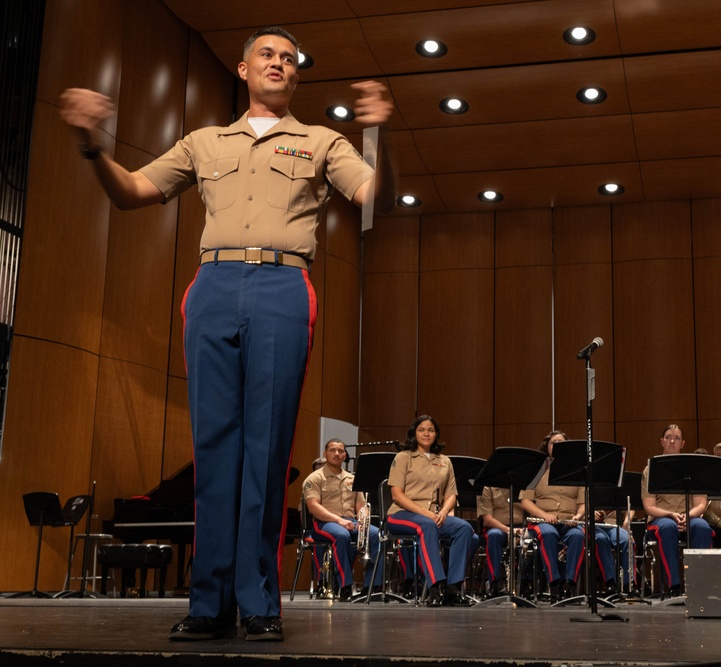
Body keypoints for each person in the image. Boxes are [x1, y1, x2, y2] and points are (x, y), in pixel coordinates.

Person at [60, 26, 395, 641]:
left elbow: (373, 198)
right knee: (214, 451)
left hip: (282, 287)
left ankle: (259, 602)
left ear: (297, 77)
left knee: (267, 453)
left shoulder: (321, 140)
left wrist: (377, 135)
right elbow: (134, 190)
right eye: (267, 54)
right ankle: (208, 605)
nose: (279, 63)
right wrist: (89, 145)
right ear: (243, 70)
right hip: (213, 287)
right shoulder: (204, 140)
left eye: (290, 59)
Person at [386, 415, 475, 606]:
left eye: (431, 430)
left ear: (436, 434)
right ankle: (434, 587)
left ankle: (452, 588)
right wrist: (427, 514)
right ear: (414, 433)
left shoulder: (445, 461)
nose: (427, 433)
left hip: (434, 516)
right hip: (400, 514)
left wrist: (443, 512)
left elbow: (451, 495)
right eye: (422, 430)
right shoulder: (403, 457)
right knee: (427, 525)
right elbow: (397, 495)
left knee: (464, 528)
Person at [301, 438, 382, 601]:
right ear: (325, 454)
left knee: (376, 534)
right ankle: (345, 586)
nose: (337, 454)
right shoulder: (315, 478)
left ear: (345, 455)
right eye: (332, 450)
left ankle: (372, 587)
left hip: (350, 522)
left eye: (340, 451)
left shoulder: (352, 478)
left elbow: (360, 505)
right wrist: (339, 521)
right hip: (324, 524)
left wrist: (363, 518)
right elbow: (313, 507)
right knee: (341, 535)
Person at [641, 424, 712, 597]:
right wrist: (671, 515)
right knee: (667, 527)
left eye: (677, 438)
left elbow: (701, 504)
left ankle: (698, 585)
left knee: (702, 527)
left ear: (683, 443)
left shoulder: (694, 469)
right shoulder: (650, 469)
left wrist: (687, 517)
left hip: (689, 516)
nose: (672, 441)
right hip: (661, 519)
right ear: (662, 441)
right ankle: (674, 586)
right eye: (668, 437)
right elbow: (649, 506)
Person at [519, 430, 586, 602]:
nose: (556, 446)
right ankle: (554, 584)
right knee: (548, 534)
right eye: (553, 442)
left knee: (578, 536)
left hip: (569, 522)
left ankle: (570, 585)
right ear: (547, 447)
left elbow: (582, 504)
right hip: (542, 521)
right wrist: (545, 515)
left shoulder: (577, 470)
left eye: (561, 443)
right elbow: (526, 502)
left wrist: (577, 517)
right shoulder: (537, 469)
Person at [477, 485, 524, 598]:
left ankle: (525, 584)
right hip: (497, 528)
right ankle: (494, 583)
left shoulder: (523, 484)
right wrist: (509, 530)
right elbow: (488, 520)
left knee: (532, 539)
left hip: (521, 527)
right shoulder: (487, 487)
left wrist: (521, 531)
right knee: (493, 536)